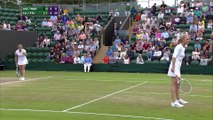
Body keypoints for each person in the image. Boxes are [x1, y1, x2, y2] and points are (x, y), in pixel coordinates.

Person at [167, 34, 189, 108]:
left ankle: (178, 99)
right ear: (183, 39)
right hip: (174, 66)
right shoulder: (179, 47)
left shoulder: (183, 47)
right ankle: (173, 102)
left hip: (178, 67)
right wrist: (173, 67)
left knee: (178, 84)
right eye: (187, 39)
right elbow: (174, 57)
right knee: (174, 84)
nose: (188, 40)